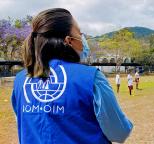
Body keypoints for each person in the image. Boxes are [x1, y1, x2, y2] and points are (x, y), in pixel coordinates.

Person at [11, 8, 132, 144]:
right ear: (69, 40)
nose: (83, 39)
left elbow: (24, 123)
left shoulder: (21, 80)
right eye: (79, 33)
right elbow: (119, 132)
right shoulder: (91, 78)